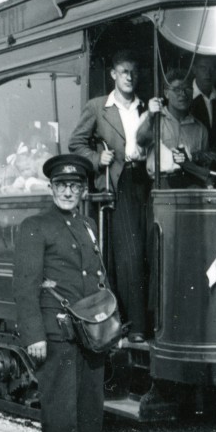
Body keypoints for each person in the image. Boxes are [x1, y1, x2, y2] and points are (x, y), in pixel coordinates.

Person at [12, 154, 113, 432]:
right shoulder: (35, 225)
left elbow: (99, 278)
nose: (68, 191)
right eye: (62, 185)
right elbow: (26, 286)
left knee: (89, 402)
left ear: (83, 190)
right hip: (56, 330)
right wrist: (34, 336)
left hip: (90, 331)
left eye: (75, 186)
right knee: (61, 406)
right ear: (51, 187)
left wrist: (108, 324)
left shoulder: (87, 225)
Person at [68, 50, 150, 342]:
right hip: (121, 182)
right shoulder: (98, 107)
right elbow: (75, 143)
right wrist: (96, 158)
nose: (130, 77)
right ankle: (136, 325)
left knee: (151, 249)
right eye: (124, 71)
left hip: (149, 179)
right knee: (131, 254)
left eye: (134, 72)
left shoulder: (146, 107)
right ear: (113, 74)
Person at [136, 69, 211, 189]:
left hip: (192, 186)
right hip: (163, 184)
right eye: (176, 89)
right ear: (166, 93)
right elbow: (141, 142)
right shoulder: (152, 118)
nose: (183, 94)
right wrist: (150, 116)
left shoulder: (200, 128)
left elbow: (204, 165)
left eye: (187, 89)